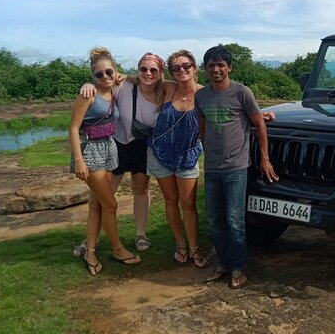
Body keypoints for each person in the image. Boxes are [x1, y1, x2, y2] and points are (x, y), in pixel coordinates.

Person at [194, 45, 279, 289]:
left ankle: (238, 267)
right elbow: (202, 127)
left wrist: (264, 158)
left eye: (221, 65)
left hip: (236, 167)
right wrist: (207, 150)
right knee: (215, 219)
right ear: (206, 68)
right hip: (212, 168)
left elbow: (258, 124)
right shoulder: (201, 96)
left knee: (234, 220)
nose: (216, 69)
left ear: (229, 67)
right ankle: (223, 263)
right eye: (211, 65)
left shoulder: (242, 92)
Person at [73, 52, 166, 257]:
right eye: (143, 69)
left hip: (141, 145)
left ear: (160, 73)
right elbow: (102, 80)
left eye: (153, 70)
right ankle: (91, 239)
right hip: (117, 143)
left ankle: (140, 234)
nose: (148, 73)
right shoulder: (124, 85)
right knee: (102, 195)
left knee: (140, 189)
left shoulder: (165, 91)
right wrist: (88, 84)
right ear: (137, 70)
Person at [69, 47, 141, 275]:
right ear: (92, 77)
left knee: (96, 204)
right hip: (90, 152)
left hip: (109, 148)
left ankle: (90, 250)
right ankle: (117, 248)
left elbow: (140, 79)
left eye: (109, 72)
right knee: (110, 204)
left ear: (115, 70)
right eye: (99, 75)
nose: (105, 77)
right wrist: (79, 161)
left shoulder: (113, 90)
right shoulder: (87, 95)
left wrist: (122, 76)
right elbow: (72, 128)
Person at [148, 49, 208, 268]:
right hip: (161, 153)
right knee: (171, 201)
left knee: (189, 203)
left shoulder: (205, 94)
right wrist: (116, 76)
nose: (181, 70)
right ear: (171, 72)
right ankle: (180, 244)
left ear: (194, 68)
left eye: (185, 66)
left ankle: (194, 248)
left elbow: (231, 102)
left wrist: (258, 114)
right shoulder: (167, 88)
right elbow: (141, 80)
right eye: (176, 68)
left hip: (188, 155)